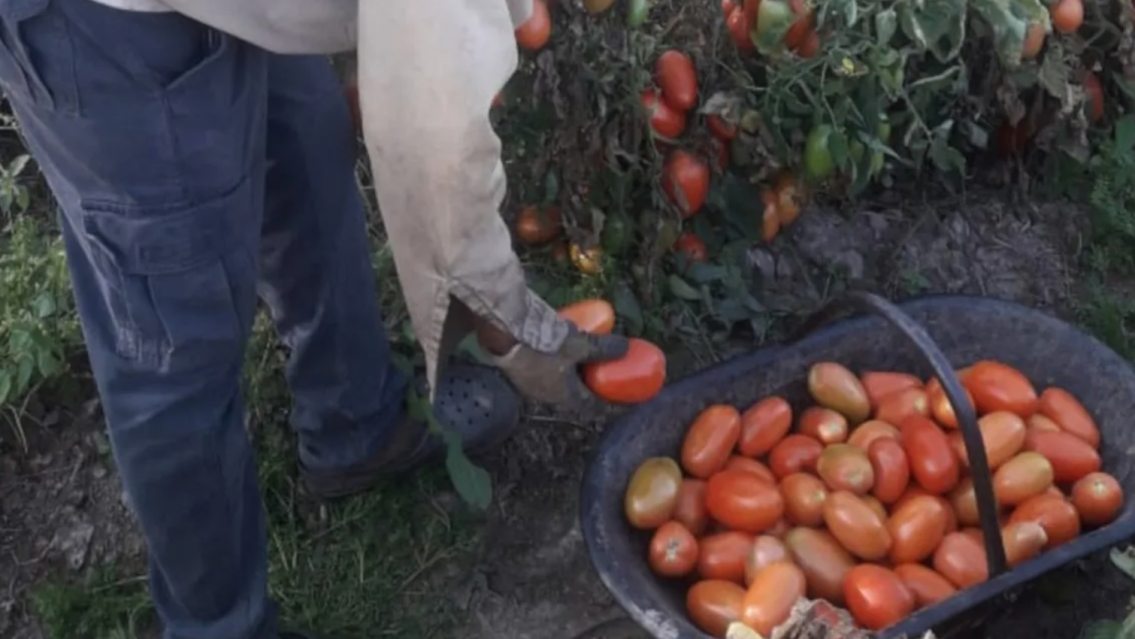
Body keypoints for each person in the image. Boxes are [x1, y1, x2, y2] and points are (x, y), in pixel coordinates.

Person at [0, 1, 627, 638]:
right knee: (171, 329)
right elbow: (435, 142)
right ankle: (218, 628)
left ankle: (354, 424)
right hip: (102, 28)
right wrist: (506, 319)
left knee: (304, 138)